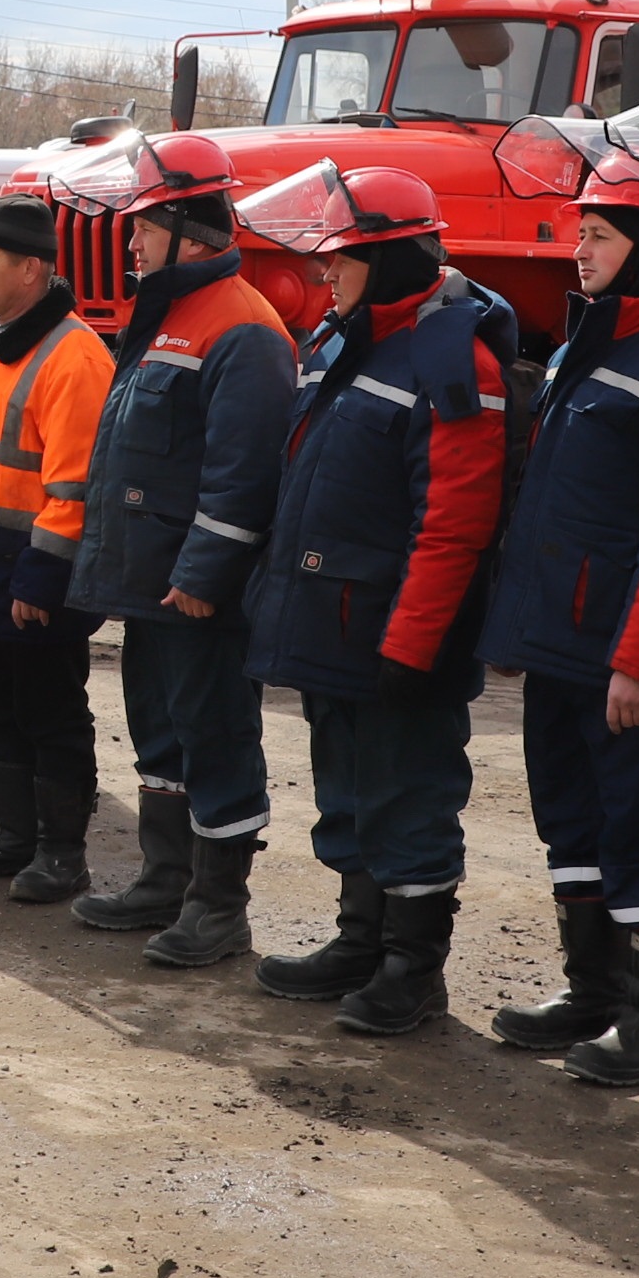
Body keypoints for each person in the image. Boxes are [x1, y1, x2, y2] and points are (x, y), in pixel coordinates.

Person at [476, 149, 639, 1082]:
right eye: (579, 232)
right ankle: (594, 992)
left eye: (598, 236)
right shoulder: (592, 343)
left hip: (625, 659)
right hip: (563, 645)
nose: (577, 250)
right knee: (572, 819)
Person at [231, 164, 514, 1036]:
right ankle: (361, 941)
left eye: (343, 261)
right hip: (334, 625)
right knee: (348, 792)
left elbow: (454, 525)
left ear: (390, 261)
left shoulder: (452, 358)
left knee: (409, 797)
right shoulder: (342, 340)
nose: (327, 276)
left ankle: (411, 972)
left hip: (396, 638)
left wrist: (412, 645)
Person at [52, 131, 294, 968]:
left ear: (189, 230)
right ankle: (165, 878)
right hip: (145, 584)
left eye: (144, 226)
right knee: (159, 729)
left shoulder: (243, 331)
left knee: (214, 734)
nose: (131, 241)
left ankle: (219, 906)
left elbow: (241, 478)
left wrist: (200, 577)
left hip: (194, 593)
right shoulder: (168, 316)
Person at [0, 194, 112, 897]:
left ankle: (62, 855)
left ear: (31, 269)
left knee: (50, 713)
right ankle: (14, 838)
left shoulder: (72, 356)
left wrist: (40, 578)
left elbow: (75, 485)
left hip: (30, 578)